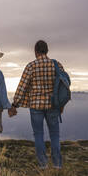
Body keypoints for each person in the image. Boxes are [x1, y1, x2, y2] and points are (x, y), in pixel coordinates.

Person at [8, 40, 67, 169]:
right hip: (53, 105)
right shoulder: (57, 65)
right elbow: (64, 86)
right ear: (47, 51)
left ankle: (43, 165)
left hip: (35, 106)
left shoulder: (31, 66)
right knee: (55, 135)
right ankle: (57, 165)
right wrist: (61, 104)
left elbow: (22, 87)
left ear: (35, 51)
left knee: (38, 134)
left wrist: (14, 105)